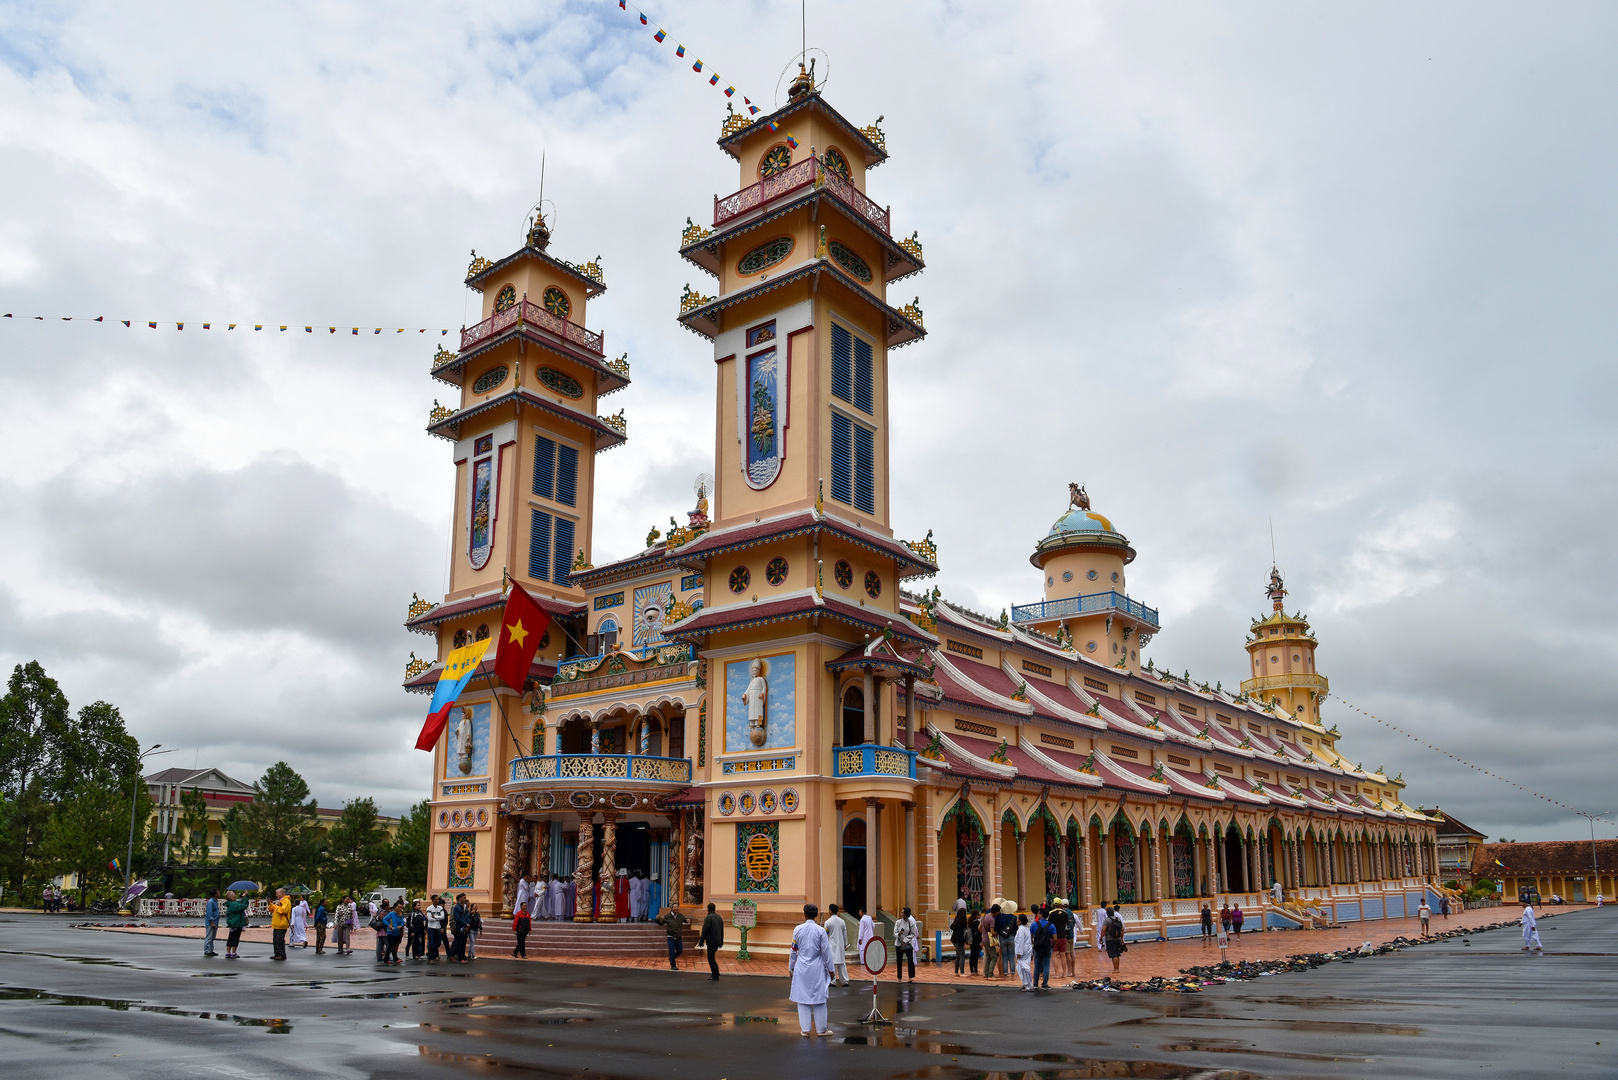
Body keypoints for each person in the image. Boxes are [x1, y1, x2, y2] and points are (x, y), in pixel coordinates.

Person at [788, 904, 835, 1037]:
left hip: (801, 966)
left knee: (802, 999)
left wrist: (791, 967)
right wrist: (831, 970)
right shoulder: (820, 931)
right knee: (820, 998)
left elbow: (793, 950)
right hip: (818, 967)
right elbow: (826, 952)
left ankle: (806, 1029)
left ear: (804, 914)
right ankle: (822, 1030)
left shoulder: (798, 930)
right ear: (816, 915)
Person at [824, 904, 850, 986]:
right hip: (841, 944)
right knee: (842, 963)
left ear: (830, 911)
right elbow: (845, 934)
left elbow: (825, 935)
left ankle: (832, 980)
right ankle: (845, 980)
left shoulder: (828, 922)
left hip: (831, 945)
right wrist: (845, 944)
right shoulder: (842, 921)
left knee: (832, 963)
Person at [657, 904, 689, 969]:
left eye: (677, 907)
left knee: (680, 950)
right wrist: (657, 919)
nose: (676, 908)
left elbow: (686, 921)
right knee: (671, 950)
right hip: (670, 936)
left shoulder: (680, 916)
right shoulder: (667, 916)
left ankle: (671, 958)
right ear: (671, 909)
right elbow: (661, 923)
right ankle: (673, 965)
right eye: (675, 907)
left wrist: (689, 920)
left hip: (678, 936)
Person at [1049, 900, 1075, 979]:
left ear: (1054, 904)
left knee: (1054, 955)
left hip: (1054, 937)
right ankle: (1064, 973)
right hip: (1063, 936)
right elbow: (1067, 924)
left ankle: (1057, 973)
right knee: (1063, 955)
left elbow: (1049, 924)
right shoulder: (1065, 913)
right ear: (1060, 904)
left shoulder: (1051, 913)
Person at [699, 902, 725, 980]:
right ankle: (716, 972)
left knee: (711, 958)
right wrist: (721, 941)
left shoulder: (708, 918)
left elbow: (705, 930)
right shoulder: (719, 917)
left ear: (708, 909)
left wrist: (701, 941)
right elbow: (722, 930)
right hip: (718, 940)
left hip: (711, 940)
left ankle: (715, 974)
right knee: (712, 957)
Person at [1030, 907, 1054, 989]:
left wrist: (1034, 944)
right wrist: (1052, 946)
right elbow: (1055, 938)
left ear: (1041, 915)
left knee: (1037, 966)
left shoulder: (1034, 924)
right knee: (1046, 966)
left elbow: (1031, 937)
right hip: (1047, 947)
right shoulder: (1051, 926)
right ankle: (1044, 984)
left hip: (1037, 947)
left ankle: (1035, 984)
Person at [894, 906, 919, 982]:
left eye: (902, 912)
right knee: (899, 960)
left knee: (910, 959)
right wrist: (899, 934)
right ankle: (899, 977)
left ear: (906, 914)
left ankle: (911, 977)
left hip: (908, 944)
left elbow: (912, 933)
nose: (901, 913)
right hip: (899, 944)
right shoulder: (898, 922)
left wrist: (905, 940)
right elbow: (894, 933)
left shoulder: (911, 922)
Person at [223, 890, 248, 959]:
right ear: (231, 897)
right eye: (234, 895)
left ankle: (228, 952)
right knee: (235, 938)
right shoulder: (234, 904)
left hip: (232, 923)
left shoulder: (230, 904)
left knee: (230, 937)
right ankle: (233, 952)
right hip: (237, 922)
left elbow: (239, 902)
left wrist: (243, 897)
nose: (235, 896)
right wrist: (246, 898)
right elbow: (243, 906)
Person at [268, 888, 291, 960]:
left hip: (282, 924)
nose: (276, 895)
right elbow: (272, 910)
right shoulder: (279, 901)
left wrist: (276, 906)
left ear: (282, 894)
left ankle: (282, 954)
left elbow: (283, 911)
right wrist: (270, 904)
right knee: (275, 940)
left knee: (280, 940)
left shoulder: (286, 901)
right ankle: (277, 953)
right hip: (276, 924)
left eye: (277, 893)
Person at [1013, 912, 1034, 991]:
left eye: (1018, 919)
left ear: (1021, 921)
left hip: (1023, 950)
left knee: (1024, 967)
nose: (1016, 921)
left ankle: (1028, 985)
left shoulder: (1021, 930)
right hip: (1027, 949)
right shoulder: (1025, 929)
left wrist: (1019, 952)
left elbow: (1021, 941)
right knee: (1020, 967)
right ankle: (1025, 983)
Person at [995, 904, 1017, 978]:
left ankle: (1005, 973)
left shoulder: (999, 917)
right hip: (1011, 937)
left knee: (1004, 956)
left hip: (1002, 937)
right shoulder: (1014, 917)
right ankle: (1012, 974)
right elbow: (1015, 928)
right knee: (1011, 956)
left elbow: (996, 928)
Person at [449, 894, 471, 962]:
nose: (465, 899)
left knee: (464, 942)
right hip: (459, 926)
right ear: (459, 899)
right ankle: (459, 957)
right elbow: (457, 918)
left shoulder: (465, 907)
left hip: (465, 926)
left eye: (465, 898)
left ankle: (462, 956)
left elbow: (467, 916)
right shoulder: (456, 907)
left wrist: (468, 924)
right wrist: (465, 924)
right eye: (463, 898)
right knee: (459, 942)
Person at [1103, 905, 1125, 974]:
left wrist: (1101, 938)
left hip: (1110, 939)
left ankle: (1115, 969)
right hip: (1118, 938)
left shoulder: (1107, 920)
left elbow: (1104, 929)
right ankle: (1117, 968)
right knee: (1117, 954)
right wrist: (1121, 937)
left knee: (1113, 954)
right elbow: (1122, 929)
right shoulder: (1118, 919)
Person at [981, 905, 1001, 979]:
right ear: (997, 912)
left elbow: (979, 927)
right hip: (989, 941)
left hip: (984, 939)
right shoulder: (992, 920)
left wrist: (984, 934)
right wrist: (997, 933)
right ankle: (990, 974)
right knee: (994, 957)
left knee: (988, 956)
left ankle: (986, 974)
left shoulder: (984, 917)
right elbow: (992, 932)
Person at [426, 894, 447, 960]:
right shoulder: (429, 908)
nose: (438, 901)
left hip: (438, 927)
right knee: (431, 943)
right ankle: (431, 957)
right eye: (437, 899)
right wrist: (438, 917)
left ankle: (432, 953)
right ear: (433, 900)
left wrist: (435, 917)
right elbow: (429, 919)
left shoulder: (440, 908)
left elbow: (442, 917)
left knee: (438, 942)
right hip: (431, 927)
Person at [950, 908, 969, 975]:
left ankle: (956, 971)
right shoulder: (962, 923)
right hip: (959, 941)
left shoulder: (956, 922)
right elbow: (961, 935)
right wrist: (963, 942)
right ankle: (962, 972)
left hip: (954, 940)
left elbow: (951, 927)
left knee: (958, 956)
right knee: (962, 956)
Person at [856, 907, 875, 974]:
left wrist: (860, 938)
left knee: (862, 949)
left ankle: (863, 961)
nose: (859, 912)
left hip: (864, 936)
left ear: (863, 912)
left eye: (860, 911)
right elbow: (873, 926)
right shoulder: (869, 918)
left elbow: (861, 930)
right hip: (870, 935)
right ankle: (869, 960)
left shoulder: (862, 920)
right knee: (869, 948)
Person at [203, 889, 220, 958]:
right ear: (215, 894)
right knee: (209, 937)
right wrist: (212, 922)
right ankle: (207, 951)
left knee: (212, 937)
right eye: (218, 892)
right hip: (211, 922)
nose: (219, 893)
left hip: (215, 921)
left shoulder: (215, 901)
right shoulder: (211, 902)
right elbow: (209, 913)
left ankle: (211, 950)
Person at [968, 907, 983, 975]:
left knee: (972, 955)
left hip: (971, 940)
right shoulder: (977, 923)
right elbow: (979, 933)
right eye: (979, 914)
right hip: (976, 940)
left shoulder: (970, 922)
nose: (980, 916)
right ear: (976, 915)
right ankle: (975, 970)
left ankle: (972, 970)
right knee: (976, 956)